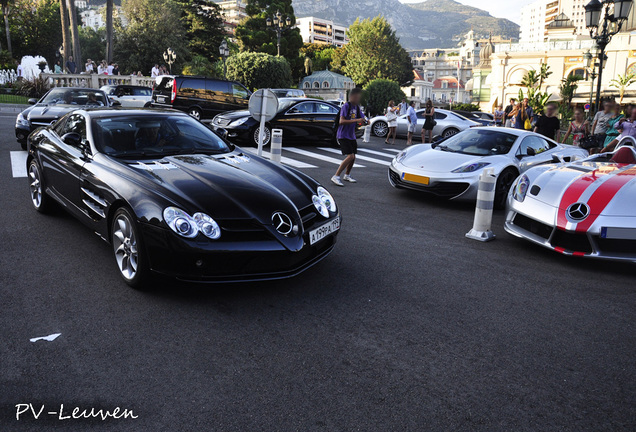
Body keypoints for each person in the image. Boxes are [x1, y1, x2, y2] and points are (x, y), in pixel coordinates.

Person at [331, 88, 367, 187]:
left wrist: (365, 121)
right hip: (343, 135)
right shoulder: (346, 106)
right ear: (352, 96)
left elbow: (361, 119)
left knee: (353, 157)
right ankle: (336, 176)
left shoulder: (357, 107)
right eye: (357, 97)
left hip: (351, 135)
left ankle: (347, 175)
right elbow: (341, 121)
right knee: (350, 156)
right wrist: (356, 120)